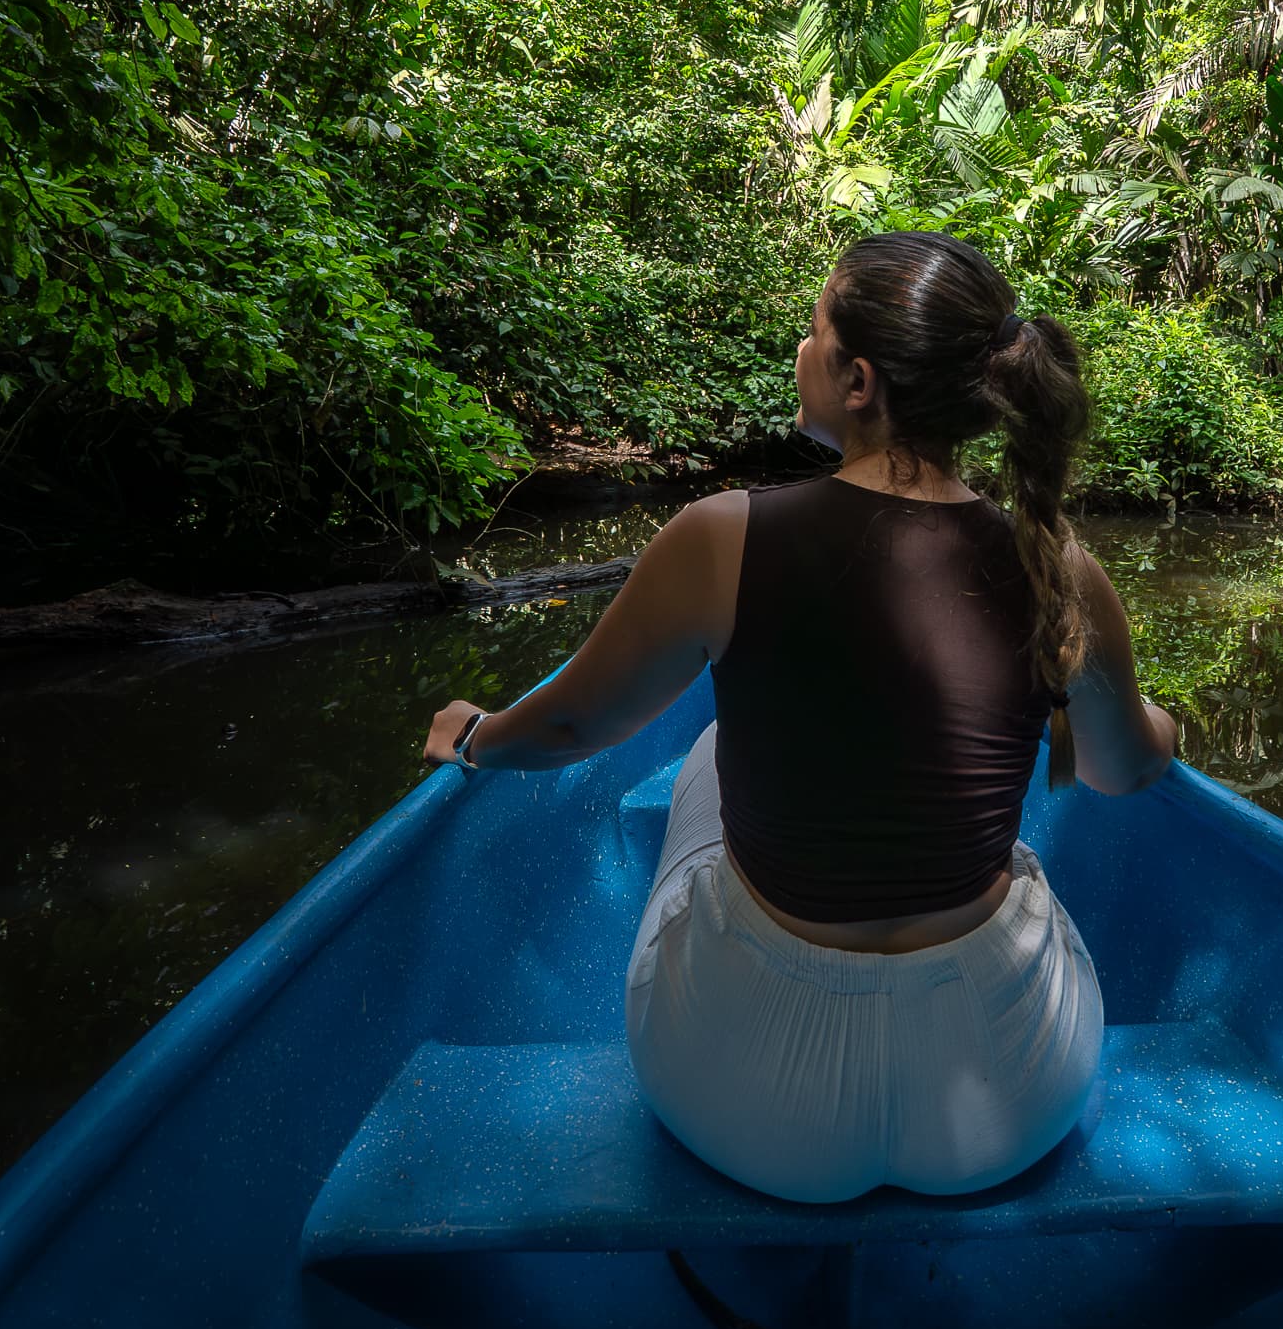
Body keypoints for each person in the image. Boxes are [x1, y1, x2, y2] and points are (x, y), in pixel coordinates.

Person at [423, 231, 1176, 1204]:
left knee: (707, 747)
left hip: (745, 1101)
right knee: (1013, 865)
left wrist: (477, 735)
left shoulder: (721, 536)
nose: (799, 346)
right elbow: (1122, 769)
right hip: (1005, 1102)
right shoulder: (1058, 570)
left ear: (856, 380)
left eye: (810, 328)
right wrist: (1155, 719)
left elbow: (569, 729)